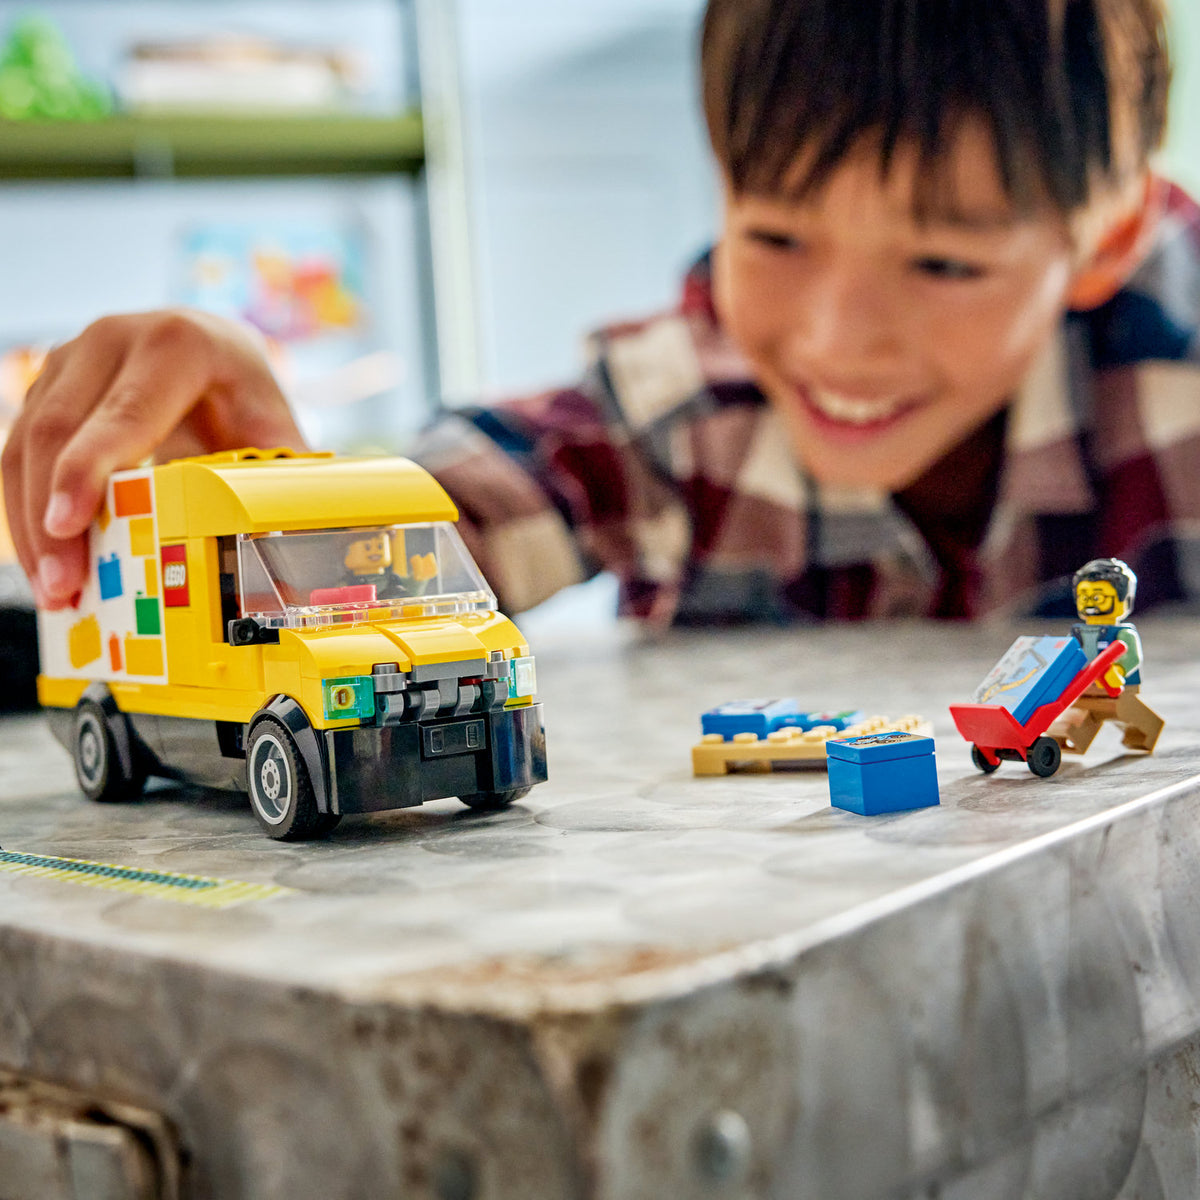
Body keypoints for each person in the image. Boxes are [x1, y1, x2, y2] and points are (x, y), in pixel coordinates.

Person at [5, 0, 1198, 628]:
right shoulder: (676, 413)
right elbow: (397, 540)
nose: (836, 340)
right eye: (775, 236)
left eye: (942, 264)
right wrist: (237, 494)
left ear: (1105, 237)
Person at [1050, 556, 1164, 753]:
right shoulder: (1078, 633)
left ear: (1124, 601)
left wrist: (1119, 670)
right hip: (1082, 690)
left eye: (1098, 596)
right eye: (1083, 596)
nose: (1089, 602)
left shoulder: (1123, 633)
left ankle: (1145, 733)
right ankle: (1065, 741)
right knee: (1076, 721)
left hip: (1117, 689)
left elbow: (1132, 657)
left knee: (1126, 713)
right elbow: (1067, 654)